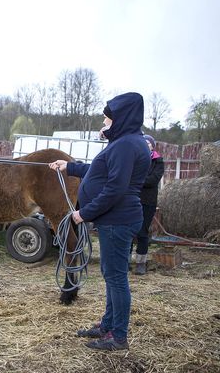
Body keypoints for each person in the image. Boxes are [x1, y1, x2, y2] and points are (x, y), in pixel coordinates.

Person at [49, 92, 151, 351]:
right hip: (116, 219)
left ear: (120, 119)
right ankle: (108, 325)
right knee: (111, 274)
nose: (103, 125)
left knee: (116, 277)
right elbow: (98, 170)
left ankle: (118, 336)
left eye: (107, 120)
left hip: (117, 220)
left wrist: (84, 214)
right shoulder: (125, 143)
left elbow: (115, 189)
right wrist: (68, 166)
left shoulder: (126, 145)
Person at [132, 134, 165, 275]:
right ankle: (125, 261)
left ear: (152, 146)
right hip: (132, 199)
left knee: (142, 232)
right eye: (143, 143)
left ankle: (141, 263)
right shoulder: (134, 159)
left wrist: (135, 180)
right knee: (128, 231)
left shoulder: (158, 162)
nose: (145, 145)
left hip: (147, 202)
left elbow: (152, 180)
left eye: (148, 143)